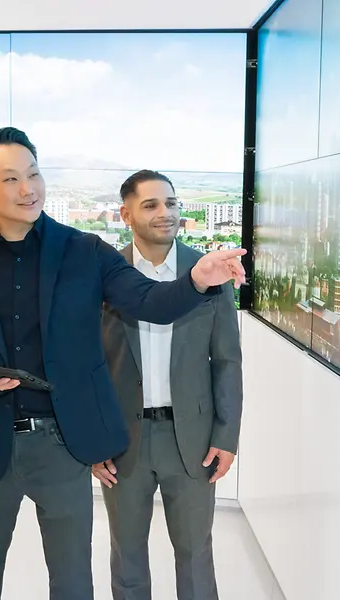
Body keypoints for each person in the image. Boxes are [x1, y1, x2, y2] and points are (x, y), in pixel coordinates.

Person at [0, 127, 246, 600]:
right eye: (11, 179)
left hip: (62, 443)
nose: (27, 188)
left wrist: (195, 279)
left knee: (72, 580)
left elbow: (149, 300)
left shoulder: (86, 251)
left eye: (33, 174)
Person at [94, 170, 243, 600]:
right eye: (151, 205)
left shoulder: (208, 273)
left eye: (171, 203)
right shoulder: (105, 276)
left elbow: (227, 362)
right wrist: (92, 440)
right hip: (122, 443)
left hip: (194, 443)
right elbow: (90, 364)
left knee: (196, 555)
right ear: (126, 214)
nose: (166, 213)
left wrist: (226, 436)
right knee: (127, 557)